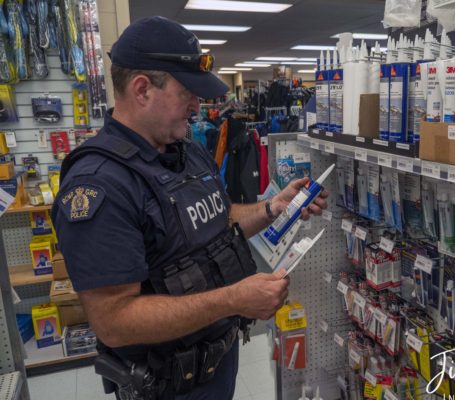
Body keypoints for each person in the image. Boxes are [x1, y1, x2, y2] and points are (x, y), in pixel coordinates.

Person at [51, 16, 328, 400]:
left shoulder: (186, 151)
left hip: (215, 365)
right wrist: (232, 300)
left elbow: (215, 219)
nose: (198, 106)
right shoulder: (100, 184)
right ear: (142, 89)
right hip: (166, 387)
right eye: (187, 93)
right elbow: (113, 321)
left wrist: (272, 208)